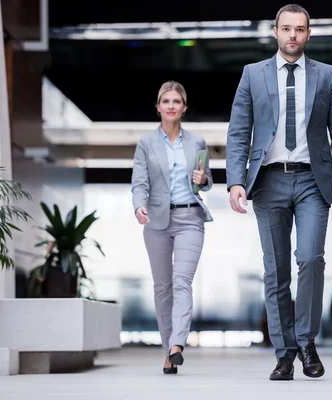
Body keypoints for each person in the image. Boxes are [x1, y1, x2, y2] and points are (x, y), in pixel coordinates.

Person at [226, 4, 332, 381]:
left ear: (309, 34)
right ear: (275, 32)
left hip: (314, 181)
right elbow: (238, 132)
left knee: (312, 259)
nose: (293, 35)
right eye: (287, 29)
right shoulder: (252, 75)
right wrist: (236, 180)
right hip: (268, 181)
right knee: (276, 270)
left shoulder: (328, 76)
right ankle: (284, 353)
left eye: (300, 29)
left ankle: (307, 342)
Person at [131, 81, 214, 374]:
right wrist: (139, 206)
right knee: (163, 288)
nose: (170, 106)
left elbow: (207, 179)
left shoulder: (197, 143)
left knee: (182, 282)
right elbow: (139, 182)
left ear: (183, 108)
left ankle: (178, 343)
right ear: (158, 107)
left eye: (176, 101)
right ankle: (168, 350)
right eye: (165, 101)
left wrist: (203, 180)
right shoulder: (146, 143)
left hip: (190, 218)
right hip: (156, 221)